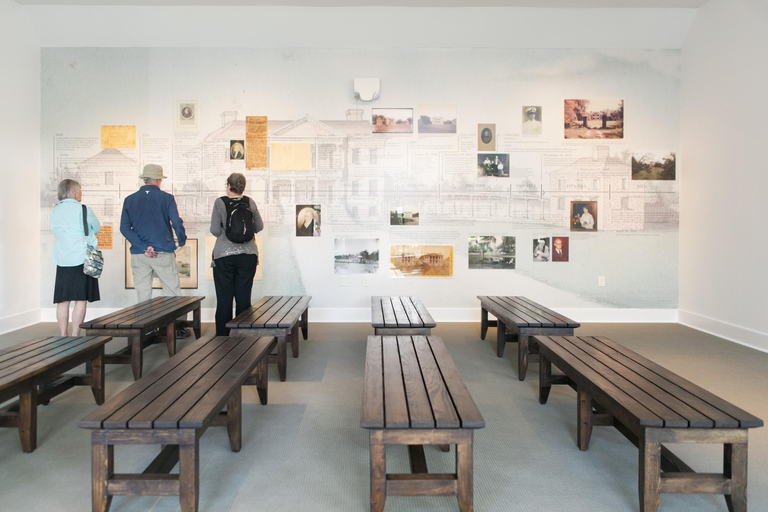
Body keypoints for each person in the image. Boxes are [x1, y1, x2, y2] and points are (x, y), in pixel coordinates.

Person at [120, 164, 189, 336]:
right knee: (172, 291)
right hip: (163, 251)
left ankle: (146, 329)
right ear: (158, 180)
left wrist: (143, 247)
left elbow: (124, 228)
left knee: (143, 292)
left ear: (144, 179)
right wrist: (181, 240)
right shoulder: (167, 198)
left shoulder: (129, 199)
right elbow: (176, 222)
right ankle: (175, 329)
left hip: (139, 254)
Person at [210, 173, 264, 336]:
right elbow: (259, 226)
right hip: (248, 255)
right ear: (243, 187)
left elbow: (215, 230)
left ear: (228, 185)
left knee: (224, 298)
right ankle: (243, 336)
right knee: (243, 297)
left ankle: (222, 337)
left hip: (224, 256)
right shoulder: (249, 201)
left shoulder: (220, 202)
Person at [51, 179, 101, 336]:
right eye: (80, 190)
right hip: (81, 259)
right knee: (80, 299)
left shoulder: (55, 211)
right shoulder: (83, 209)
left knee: (62, 300)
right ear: (73, 191)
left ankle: (63, 334)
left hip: (62, 260)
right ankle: (75, 335)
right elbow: (97, 228)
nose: (81, 193)